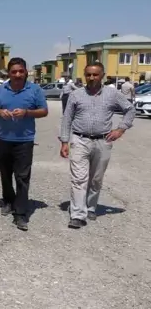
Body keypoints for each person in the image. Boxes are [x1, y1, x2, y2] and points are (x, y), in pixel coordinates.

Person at [59, 62, 134, 229]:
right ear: (84, 76)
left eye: (95, 75)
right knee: (79, 179)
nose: (91, 78)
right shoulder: (76, 95)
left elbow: (130, 109)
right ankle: (78, 214)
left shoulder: (113, 94)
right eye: (88, 75)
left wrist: (120, 129)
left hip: (103, 141)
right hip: (80, 140)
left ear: (102, 76)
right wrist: (64, 141)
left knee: (96, 178)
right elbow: (67, 118)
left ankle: (91, 206)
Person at [0, 57, 48, 231]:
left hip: (24, 141)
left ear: (26, 72)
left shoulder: (34, 90)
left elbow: (44, 111)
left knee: (22, 177)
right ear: (9, 73)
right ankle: (8, 200)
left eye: (21, 71)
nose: (17, 74)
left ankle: (20, 214)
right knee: (5, 174)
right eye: (14, 71)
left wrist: (27, 112)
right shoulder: (0, 89)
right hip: (2, 139)